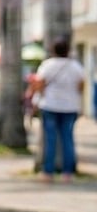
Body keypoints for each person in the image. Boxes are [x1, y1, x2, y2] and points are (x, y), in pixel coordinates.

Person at [29, 38, 85, 183]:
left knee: (51, 139)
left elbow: (40, 85)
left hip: (50, 106)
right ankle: (68, 173)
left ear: (53, 50)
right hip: (70, 107)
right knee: (68, 139)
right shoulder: (76, 66)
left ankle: (48, 172)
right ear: (68, 50)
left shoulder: (47, 65)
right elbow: (81, 87)